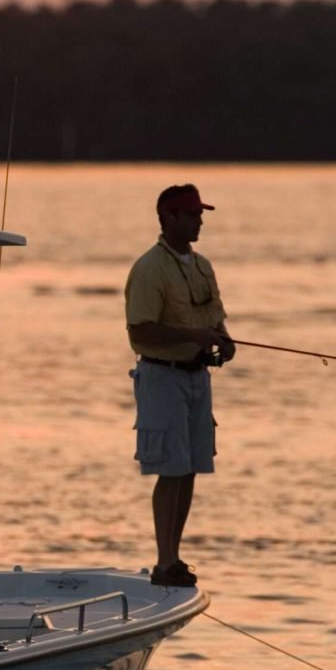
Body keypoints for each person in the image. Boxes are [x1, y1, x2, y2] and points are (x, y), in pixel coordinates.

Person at [124, 185, 235, 588]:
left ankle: (174, 557)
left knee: (189, 469)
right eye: (190, 214)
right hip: (161, 376)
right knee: (170, 470)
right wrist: (197, 335)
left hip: (196, 377)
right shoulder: (149, 268)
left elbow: (215, 318)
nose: (199, 220)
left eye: (199, 213)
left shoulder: (202, 265)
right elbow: (140, 328)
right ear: (168, 218)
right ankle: (164, 561)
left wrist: (224, 340)